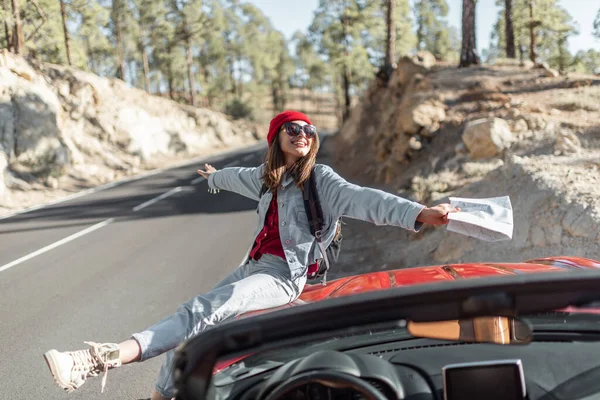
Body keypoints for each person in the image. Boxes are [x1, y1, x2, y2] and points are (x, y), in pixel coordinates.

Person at [43, 110, 459, 400]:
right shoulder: (267, 178)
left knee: (201, 310)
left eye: (309, 130)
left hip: (283, 277)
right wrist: (212, 178)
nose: (303, 135)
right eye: (293, 129)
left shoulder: (322, 180)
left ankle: (100, 359)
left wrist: (420, 214)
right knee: (188, 330)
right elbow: (232, 177)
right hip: (253, 267)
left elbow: (366, 200)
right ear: (277, 137)